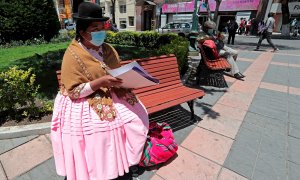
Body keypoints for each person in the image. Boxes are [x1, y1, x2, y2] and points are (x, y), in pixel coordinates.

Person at [51, 2, 149, 180]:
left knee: (136, 117)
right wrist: (100, 82)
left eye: (101, 27)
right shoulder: (72, 55)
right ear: (82, 32)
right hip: (83, 99)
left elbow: (116, 71)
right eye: (94, 28)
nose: (100, 32)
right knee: (102, 130)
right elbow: (73, 91)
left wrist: (128, 79)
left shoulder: (107, 49)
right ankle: (99, 171)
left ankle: (125, 160)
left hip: (111, 92)